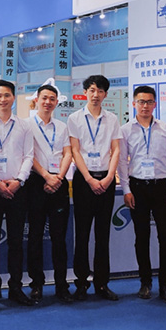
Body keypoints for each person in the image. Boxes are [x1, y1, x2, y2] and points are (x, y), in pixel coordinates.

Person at [118, 86, 166, 305]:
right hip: (138, 187)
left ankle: (165, 285)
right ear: (134, 104)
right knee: (141, 236)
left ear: (155, 104)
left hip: (161, 186)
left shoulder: (165, 128)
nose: (145, 106)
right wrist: (126, 190)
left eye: (149, 102)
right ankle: (145, 282)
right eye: (141, 102)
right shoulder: (125, 130)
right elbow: (122, 162)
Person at [68, 75, 122, 301]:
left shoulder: (112, 119)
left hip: (106, 180)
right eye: (91, 90)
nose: (95, 94)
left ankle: (102, 283)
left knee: (103, 235)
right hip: (84, 181)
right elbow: (75, 150)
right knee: (81, 234)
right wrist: (89, 179)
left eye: (100, 91)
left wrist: (109, 177)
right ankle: (81, 283)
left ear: (105, 94)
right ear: (85, 92)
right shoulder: (74, 118)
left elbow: (116, 149)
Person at [0, 80, 33, 307]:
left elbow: (29, 156)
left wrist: (19, 181)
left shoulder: (24, 126)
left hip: (17, 190)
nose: (3, 99)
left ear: (13, 98)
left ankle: (16, 287)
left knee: (16, 241)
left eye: (7, 95)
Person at [27, 83, 73, 304]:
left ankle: (61, 285)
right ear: (37, 99)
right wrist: (46, 176)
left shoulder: (62, 127)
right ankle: (36, 284)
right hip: (36, 183)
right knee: (35, 236)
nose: (48, 102)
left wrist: (58, 178)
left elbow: (67, 153)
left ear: (56, 102)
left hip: (59, 183)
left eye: (52, 99)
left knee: (59, 238)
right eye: (44, 98)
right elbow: (28, 155)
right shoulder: (26, 125)